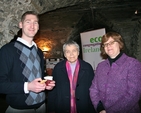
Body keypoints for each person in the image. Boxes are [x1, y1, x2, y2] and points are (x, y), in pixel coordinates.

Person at [0, 11, 55, 113]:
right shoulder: (7, 50)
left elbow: (37, 77)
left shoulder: (39, 52)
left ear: (38, 26)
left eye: (35, 22)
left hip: (42, 107)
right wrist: (28, 86)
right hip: (19, 109)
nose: (32, 25)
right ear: (20, 24)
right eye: (28, 22)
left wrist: (45, 84)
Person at [89, 32, 141, 113]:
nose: (108, 46)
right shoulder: (101, 66)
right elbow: (93, 89)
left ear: (119, 44)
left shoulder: (132, 64)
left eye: (112, 42)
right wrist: (99, 107)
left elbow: (133, 94)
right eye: (105, 44)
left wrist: (110, 111)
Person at [47, 40, 96, 113]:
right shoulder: (58, 68)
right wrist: (51, 109)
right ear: (64, 54)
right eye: (68, 51)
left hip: (84, 107)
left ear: (78, 52)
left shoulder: (87, 67)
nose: (71, 54)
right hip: (62, 106)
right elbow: (53, 89)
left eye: (74, 51)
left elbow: (93, 89)